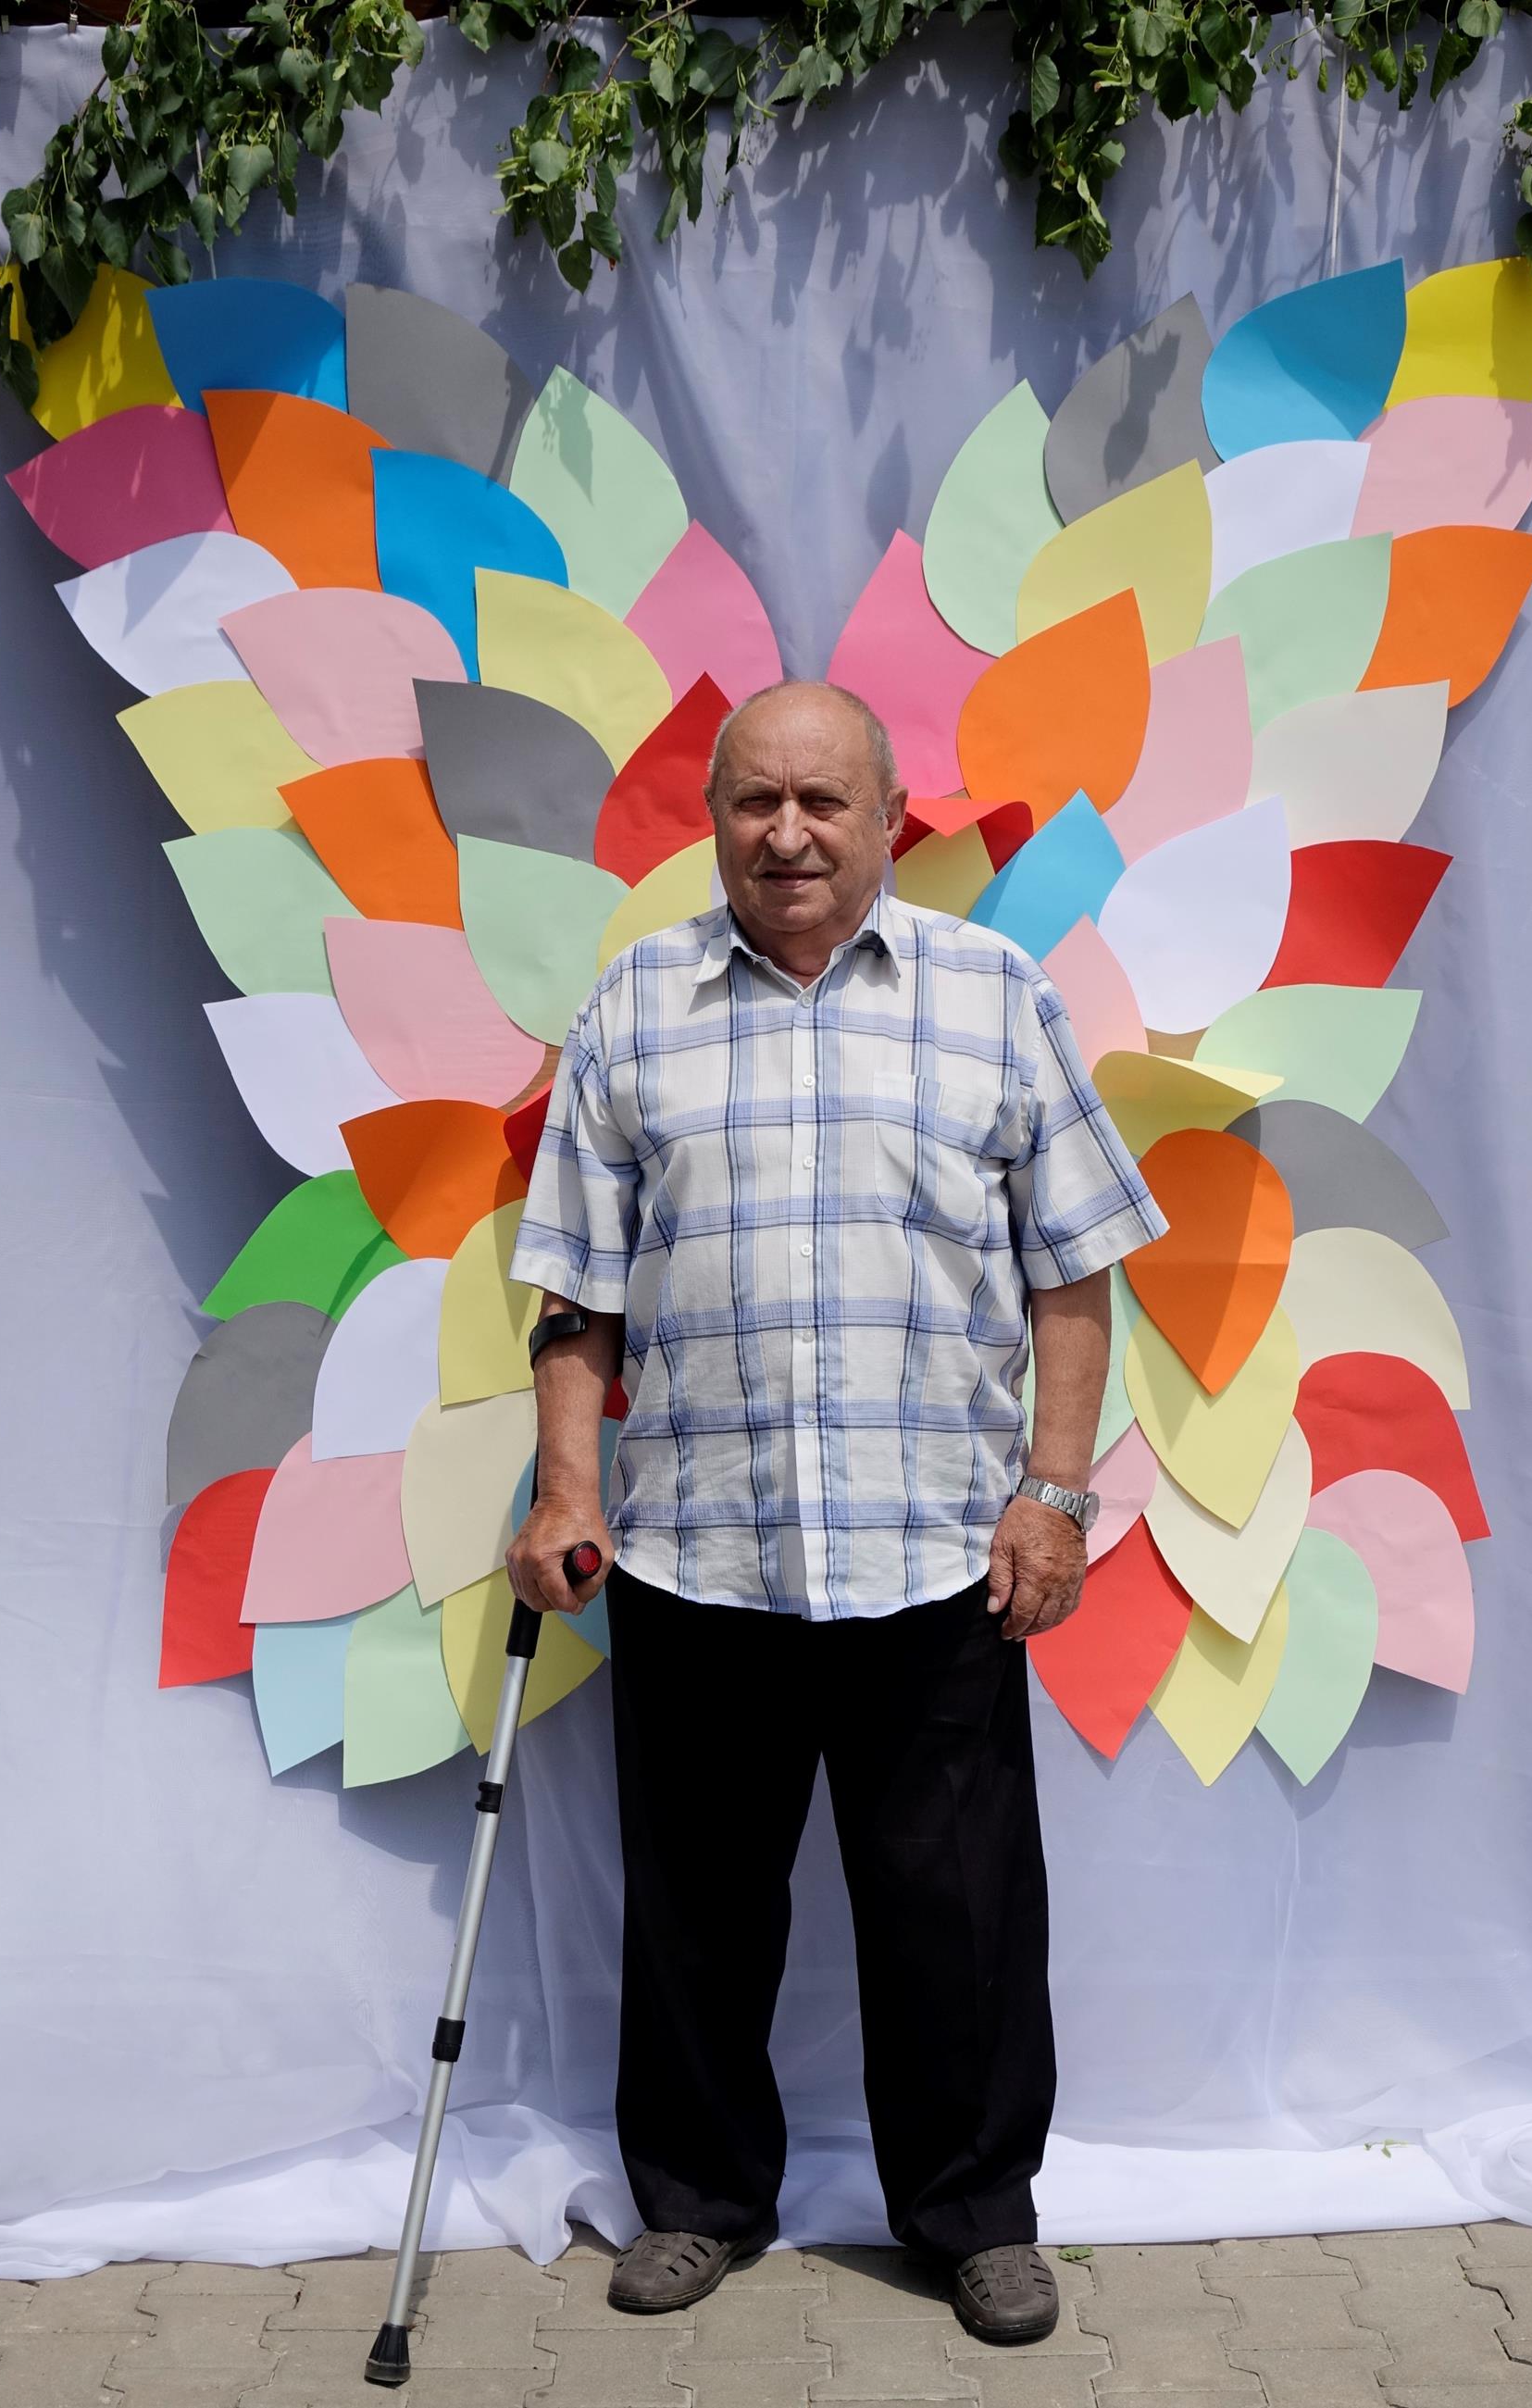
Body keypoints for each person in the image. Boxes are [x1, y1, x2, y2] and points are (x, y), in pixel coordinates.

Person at [505, 680, 1167, 2348]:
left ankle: (975, 2215)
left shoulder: (992, 994)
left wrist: (1055, 1496)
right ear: (714, 818)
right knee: (698, 1911)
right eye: (755, 801)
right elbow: (577, 1289)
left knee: (958, 1913)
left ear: (885, 819)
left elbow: (1072, 1270)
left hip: (935, 1549)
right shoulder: (636, 1005)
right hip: (697, 1544)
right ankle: (697, 2199)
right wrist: (567, 1483)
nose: (787, 834)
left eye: (821, 802)